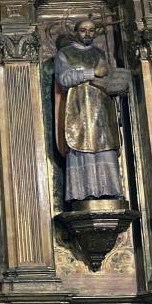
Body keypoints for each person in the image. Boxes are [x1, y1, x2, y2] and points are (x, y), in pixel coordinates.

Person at [54, 18, 124, 203]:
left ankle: (110, 190)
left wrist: (118, 86)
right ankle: (84, 193)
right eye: (83, 30)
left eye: (91, 30)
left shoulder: (100, 53)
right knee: (81, 145)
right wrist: (91, 73)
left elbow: (107, 79)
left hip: (101, 110)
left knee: (105, 146)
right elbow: (64, 78)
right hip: (79, 110)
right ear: (75, 32)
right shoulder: (65, 54)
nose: (87, 34)